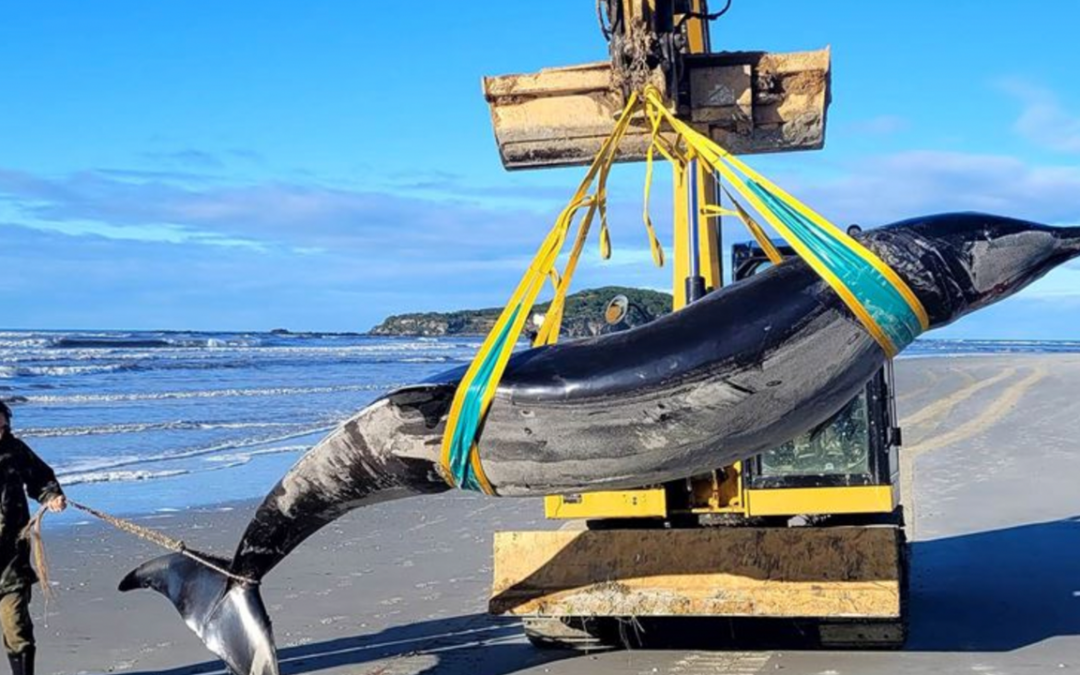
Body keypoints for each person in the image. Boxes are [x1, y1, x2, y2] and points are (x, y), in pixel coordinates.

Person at [0, 402, 65, 675]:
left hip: (11, 557)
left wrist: (51, 496)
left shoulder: (15, 450)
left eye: (3, 426)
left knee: (16, 625)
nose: (0, 432)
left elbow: (40, 477)